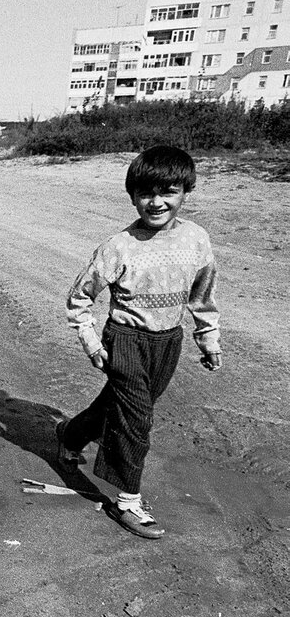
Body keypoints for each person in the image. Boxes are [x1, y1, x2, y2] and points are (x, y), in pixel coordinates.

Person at [57, 145, 222, 540]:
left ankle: (71, 435)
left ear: (186, 191)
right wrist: (92, 343)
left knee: (119, 405)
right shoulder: (118, 246)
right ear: (132, 196)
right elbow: (80, 298)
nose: (157, 202)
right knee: (136, 419)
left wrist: (208, 338)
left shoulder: (197, 239)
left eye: (169, 191)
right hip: (125, 340)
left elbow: (202, 295)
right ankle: (128, 501)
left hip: (168, 341)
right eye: (146, 193)